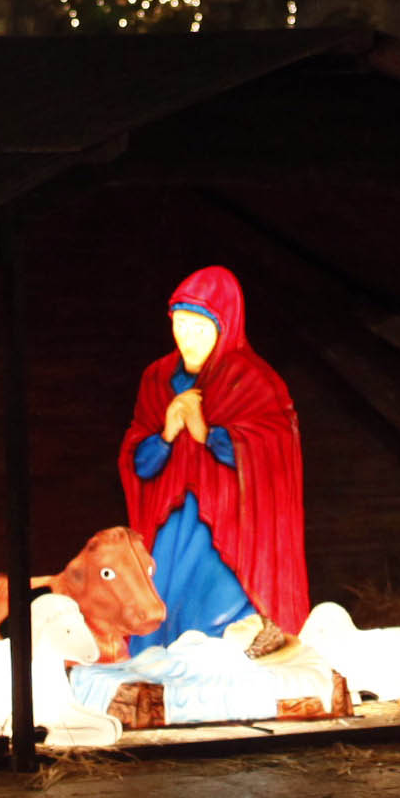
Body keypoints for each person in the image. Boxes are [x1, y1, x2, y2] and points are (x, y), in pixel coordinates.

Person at [115, 266, 309, 655]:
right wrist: (168, 432)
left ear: (226, 326)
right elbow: (138, 461)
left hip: (233, 529)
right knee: (163, 606)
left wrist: (207, 432)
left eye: (200, 328)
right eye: (181, 324)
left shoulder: (253, 380)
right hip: (169, 523)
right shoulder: (157, 378)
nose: (188, 338)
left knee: (216, 618)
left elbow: (275, 451)